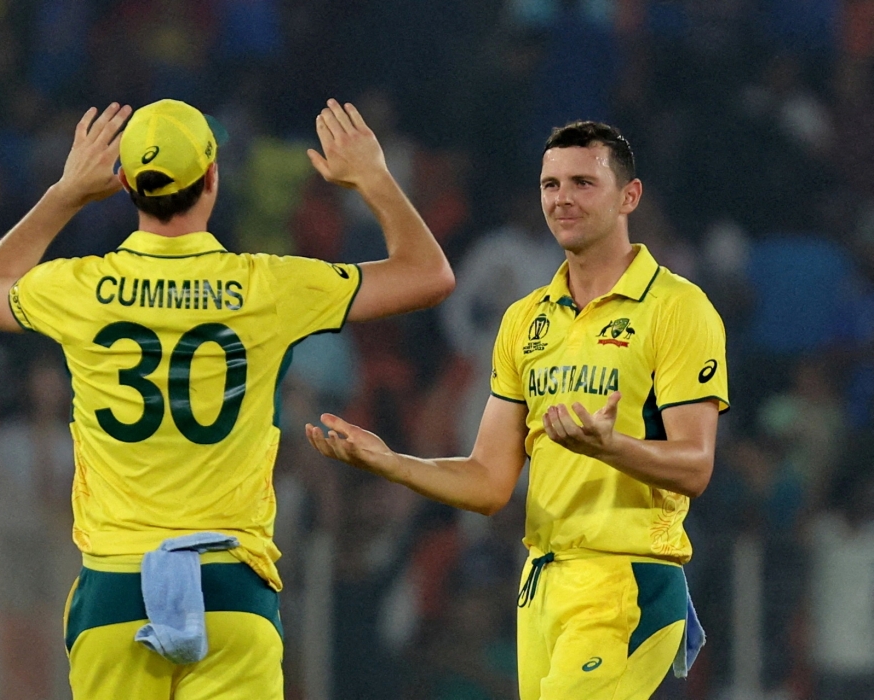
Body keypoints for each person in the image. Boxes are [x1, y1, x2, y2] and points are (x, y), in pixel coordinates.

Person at [0, 98, 455, 699]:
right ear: (214, 177)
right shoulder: (269, 285)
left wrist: (66, 192)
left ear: (123, 183)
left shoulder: (79, 286)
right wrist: (373, 177)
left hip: (118, 586)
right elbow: (428, 274)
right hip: (230, 586)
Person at [306, 121, 729, 700]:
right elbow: (488, 481)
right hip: (540, 582)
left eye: (583, 182)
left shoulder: (678, 308)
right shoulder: (525, 320)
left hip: (626, 578)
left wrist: (613, 448)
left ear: (629, 196)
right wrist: (392, 462)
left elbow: (696, 465)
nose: (562, 198)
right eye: (550, 184)